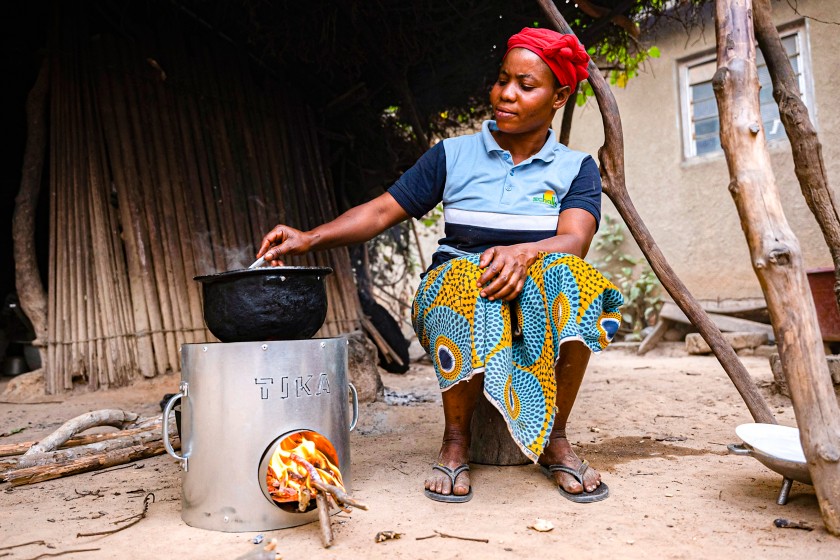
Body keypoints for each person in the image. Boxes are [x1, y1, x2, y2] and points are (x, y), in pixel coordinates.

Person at [257, 27, 623, 504]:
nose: (505, 95)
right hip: (458, 285)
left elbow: (574, 240)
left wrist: (524, 252)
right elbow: (381, 211)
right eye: (501, 80)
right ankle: (456, 441)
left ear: (559, 97)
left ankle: (555, 438)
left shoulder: (576, 168)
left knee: (576, 280)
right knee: (464, 281)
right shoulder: (453, 155)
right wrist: (310, 237)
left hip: (535, 290)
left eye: (525, 86)